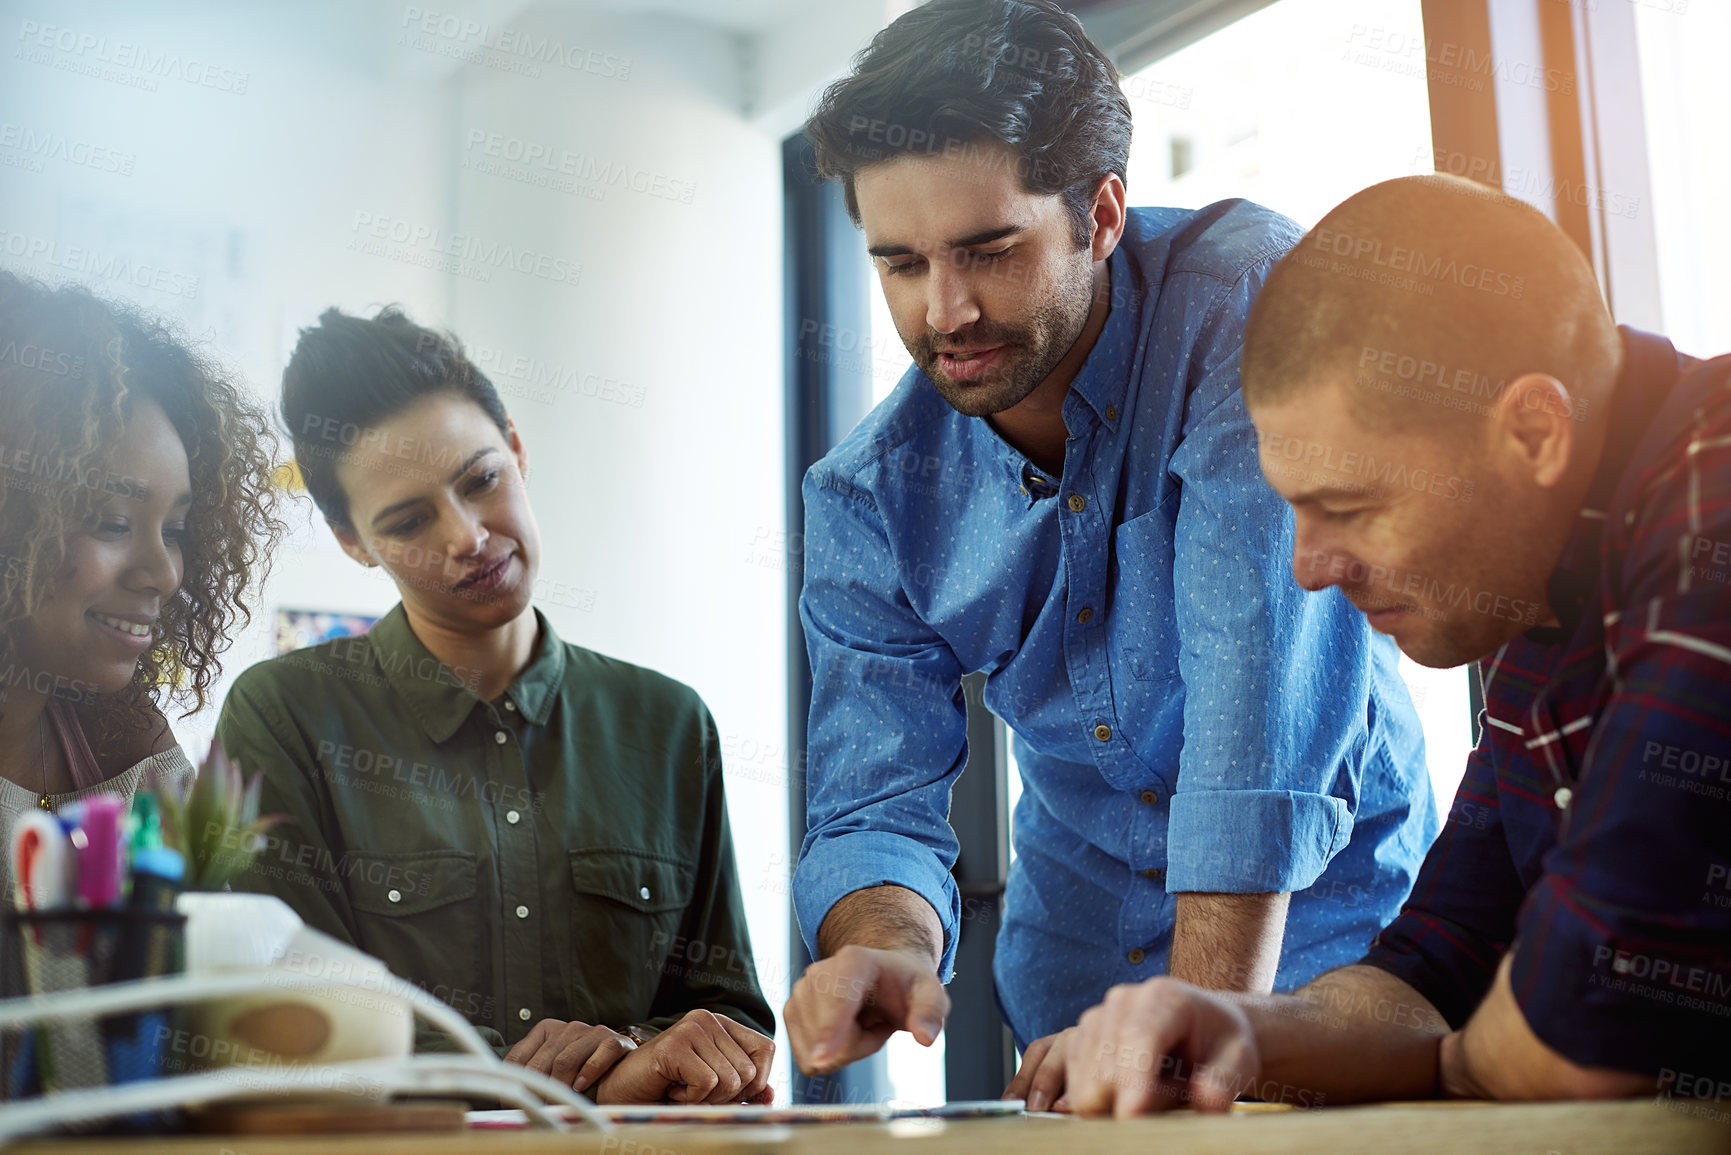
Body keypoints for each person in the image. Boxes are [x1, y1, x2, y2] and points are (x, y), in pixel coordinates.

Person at [782, 0, 1436, 1102]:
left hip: (1333, 961)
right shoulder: (870, 497)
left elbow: (1255, 708)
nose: (945, 311)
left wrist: (1194, 1034)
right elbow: (872, 804)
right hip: (1072, 984)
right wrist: (885, 942)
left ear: (1102, 212)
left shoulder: (1245, 300)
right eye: (900, 265)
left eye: (990, 251)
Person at [1058, 174, 1731, 1116]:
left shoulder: (1714, 489)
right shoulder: (1545, 596)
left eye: (1348, 508)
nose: (1307, 569)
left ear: (1533, 432)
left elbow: (1590, 1015)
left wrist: (1465, 1063)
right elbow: (1433, 965)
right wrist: (1233, 1030)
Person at [215, 307, 776, 1104]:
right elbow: (295, 1025)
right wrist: (544, 1077)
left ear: (515, 448)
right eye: (409, 520)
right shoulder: (286, 719)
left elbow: (732, 1013)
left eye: (480, 479)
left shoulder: (667, 723)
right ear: (351, 541)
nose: (469, 536)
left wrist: (647, 1048)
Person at [0, 271, 279, 896]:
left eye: (175, 529)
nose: (164, 573)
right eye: (112, 522)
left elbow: (204, 955)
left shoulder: (123, 742)